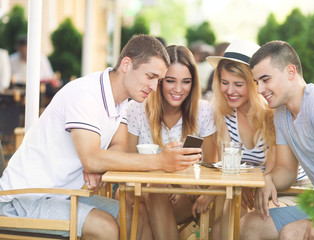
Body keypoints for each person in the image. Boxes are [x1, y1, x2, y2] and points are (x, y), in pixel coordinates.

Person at [0, 34, 202, 240]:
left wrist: (97, 164)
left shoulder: (122, 101)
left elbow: (119, 147)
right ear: (126, 64)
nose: (154, 87)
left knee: (136, 216)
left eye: (158, 80)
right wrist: (159, 160)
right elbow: (92, 157)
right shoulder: (86, 94)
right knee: (105, 228)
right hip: (22, 199)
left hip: (64, 196)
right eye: (150, 77)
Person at [239, 40, 314, 240]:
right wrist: (268, 179)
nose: (259, 90)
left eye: (266, 79)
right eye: (257, 82)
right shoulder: (281, 113)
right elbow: (287, 170)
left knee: (291, 234)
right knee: (250, 225)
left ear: (291, 72)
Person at [124, 44, 217, 240]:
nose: (178, 89)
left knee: (149, 204)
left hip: (184, 197)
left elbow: (210, 168)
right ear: (159, 81)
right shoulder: (137, 108)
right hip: (139, 192)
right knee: (150, 197)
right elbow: (126, 165)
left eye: (186, 81)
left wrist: (179, 185)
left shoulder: (203, 111)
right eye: (170, 81)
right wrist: (163, 182)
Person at [199, 38, 275, 239]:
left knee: (239, 228)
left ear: (254, 84)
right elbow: (223, 163)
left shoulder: (272, 115)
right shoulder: (223, 115)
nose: (230, 91)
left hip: (280, 191)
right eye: (224, 83)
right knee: (218, 232)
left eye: (238, 84)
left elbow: (279, 168)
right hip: (241, 191)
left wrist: (249, 183)